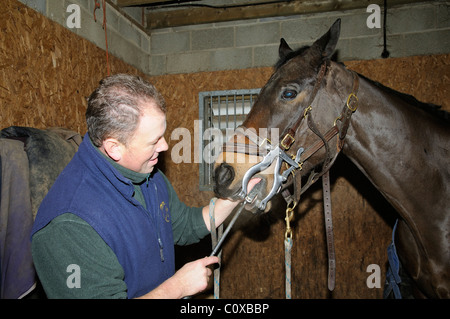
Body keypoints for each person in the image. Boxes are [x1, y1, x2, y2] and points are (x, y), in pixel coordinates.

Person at [31, 74, 259, 299]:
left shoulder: (146, 174)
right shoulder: (69, 226)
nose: (165, 146)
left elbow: (184, 226)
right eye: (154, 141)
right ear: (114, 148)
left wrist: (236, 196)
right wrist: (177, 288)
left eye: (162, 135)